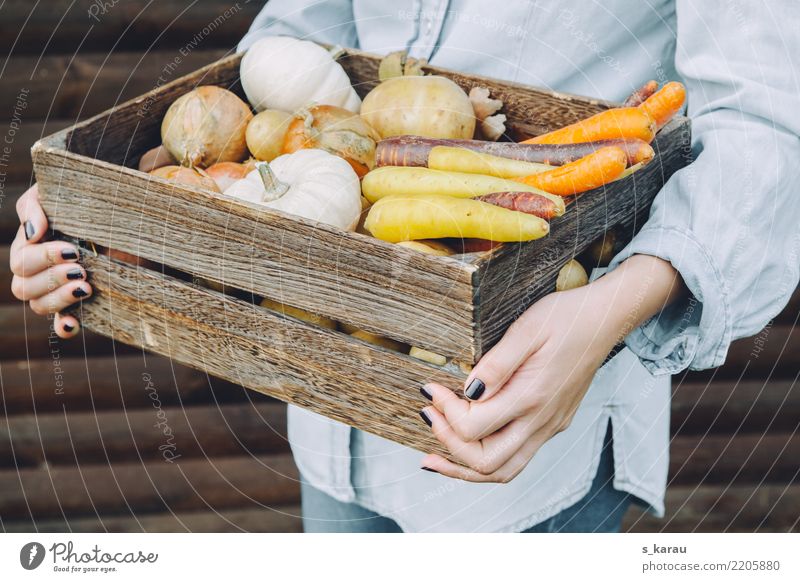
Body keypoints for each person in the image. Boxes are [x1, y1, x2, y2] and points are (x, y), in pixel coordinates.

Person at [10, 0, 800, 532]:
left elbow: (770, 120)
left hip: (525, 432)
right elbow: (297, 34)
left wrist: (606, 311)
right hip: (330, 415)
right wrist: (100, 210)